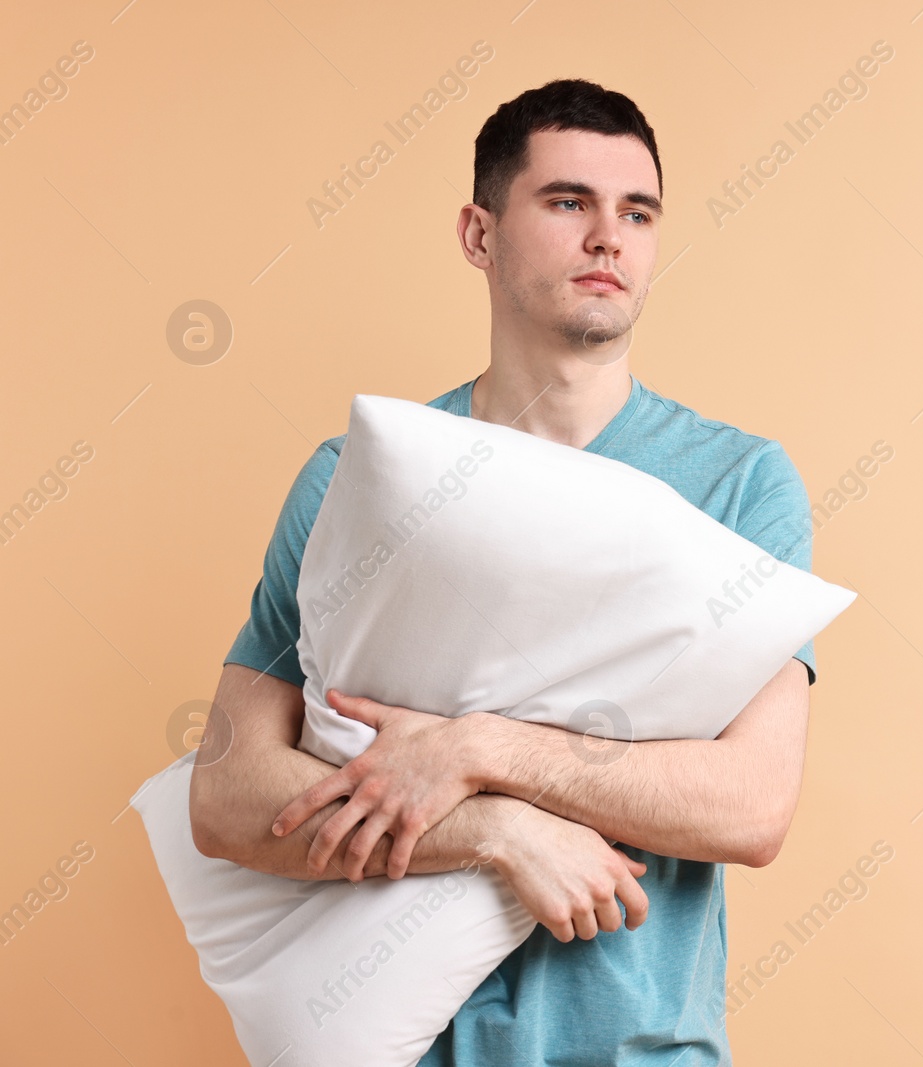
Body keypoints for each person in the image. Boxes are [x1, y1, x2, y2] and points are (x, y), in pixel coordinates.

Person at [188, 78, 819, 1065]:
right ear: (479, 235)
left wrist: (480, 748)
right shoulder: (359, 476)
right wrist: (496, 831)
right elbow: (226, 795)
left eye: (637, 212)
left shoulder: (739, 483)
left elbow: (751, 803)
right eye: (568, 202)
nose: (608, 236)